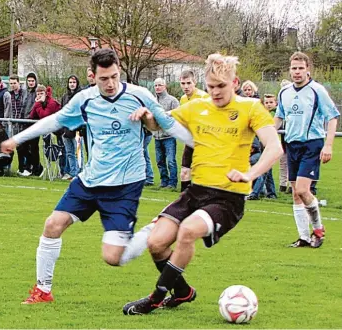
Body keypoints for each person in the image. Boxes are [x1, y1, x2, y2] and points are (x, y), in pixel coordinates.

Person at [1, 48, 193, 304]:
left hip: (124, 185)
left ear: (119, 72)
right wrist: (16, 138)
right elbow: (54, 120)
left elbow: (169, 126)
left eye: (114, 76)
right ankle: (43, 290)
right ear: (92, 75)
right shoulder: (85, 100)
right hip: (90, 179)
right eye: (104, 79)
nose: (111, 83)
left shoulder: (140, 95)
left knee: (114, 258)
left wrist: (204, 148)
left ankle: (154, 229)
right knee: (52, 225)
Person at [122, 53, 283, 315]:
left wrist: (250, 174)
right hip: (196, 191)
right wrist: (145, 116)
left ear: (235, 82)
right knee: (156, 243)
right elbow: (159, 125)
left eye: (222, 86)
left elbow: (274, 148)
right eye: (211, 86)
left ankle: (155, 297)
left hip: (228, 198)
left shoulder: (251, 108)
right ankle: (183, 292)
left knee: (187, 231)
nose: (216, 92)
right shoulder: (196, 107)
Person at [274, 51, 340, 248]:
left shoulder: (317, 90)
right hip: (291, 144)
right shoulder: (284, 92)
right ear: (289, 69)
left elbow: (332, 117)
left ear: (308, 69)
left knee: (303, 189)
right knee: (296, 193)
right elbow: (279, 116)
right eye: (293, 68)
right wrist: (267, 135)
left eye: (300, 68)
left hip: (312, 143)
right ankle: (303, 237)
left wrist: (328, 145)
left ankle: (318, 229)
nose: (296, 72)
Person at [179, 70, 210, 192]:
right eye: (183, 83)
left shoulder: (204, 97)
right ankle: (184, 203)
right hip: (190, 140)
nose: (186, 86)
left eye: (188, 83)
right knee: (184, 173)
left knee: (203, 174)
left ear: (195, 82)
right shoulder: (183, 99)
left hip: (204, 141)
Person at [247, 94, 278, 200]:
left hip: (269, 148)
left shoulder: (276, 115)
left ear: (275, 103)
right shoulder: (260, 115)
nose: (269, 105)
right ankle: (271, 193)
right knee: (267, 171)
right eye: (266, 102)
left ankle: (255, 193)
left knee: (263, 170)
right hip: (261, 148)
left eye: (271, 102)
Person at [153, 78, 180, 189]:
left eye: (160, 85)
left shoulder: (172, 101)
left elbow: (178, 116)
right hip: (157, 136)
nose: (158, 87)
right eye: (155, 85)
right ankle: (164, 181)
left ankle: (172, 183)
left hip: (169, 136)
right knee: (160, 161)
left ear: (165, 86)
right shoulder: (152, 101)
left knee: (171, 161)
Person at [20, 72, 44, 177]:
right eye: (29, 81)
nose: (30, 83)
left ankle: (36, 169)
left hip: (34, 122)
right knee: (22, 146)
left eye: (32, 81)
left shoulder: (38, 92)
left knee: (34, 147)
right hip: (25, 122)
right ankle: (35, 165)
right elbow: (23, 106)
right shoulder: (25, 92)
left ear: (35, 81)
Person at [60, 75, 82, 180]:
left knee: (78, 153)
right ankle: (73, 172)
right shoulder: (65, 96)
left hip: (77, 129)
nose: (72, 84)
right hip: (66, 129)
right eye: (70, 82)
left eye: (73, 82)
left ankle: (79, 173)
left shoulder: (80, 95)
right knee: (69, 153)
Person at [8, 75, 28, 176]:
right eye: (11, 83)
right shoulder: (9, 94)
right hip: (14, 124)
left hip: (23, 123)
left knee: (23, 147)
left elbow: (25, 106)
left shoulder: (24, 93)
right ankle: (19, 168)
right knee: (16, 146)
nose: (12, 85)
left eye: (14, 83)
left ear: (18, 82)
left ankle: (24, 167)